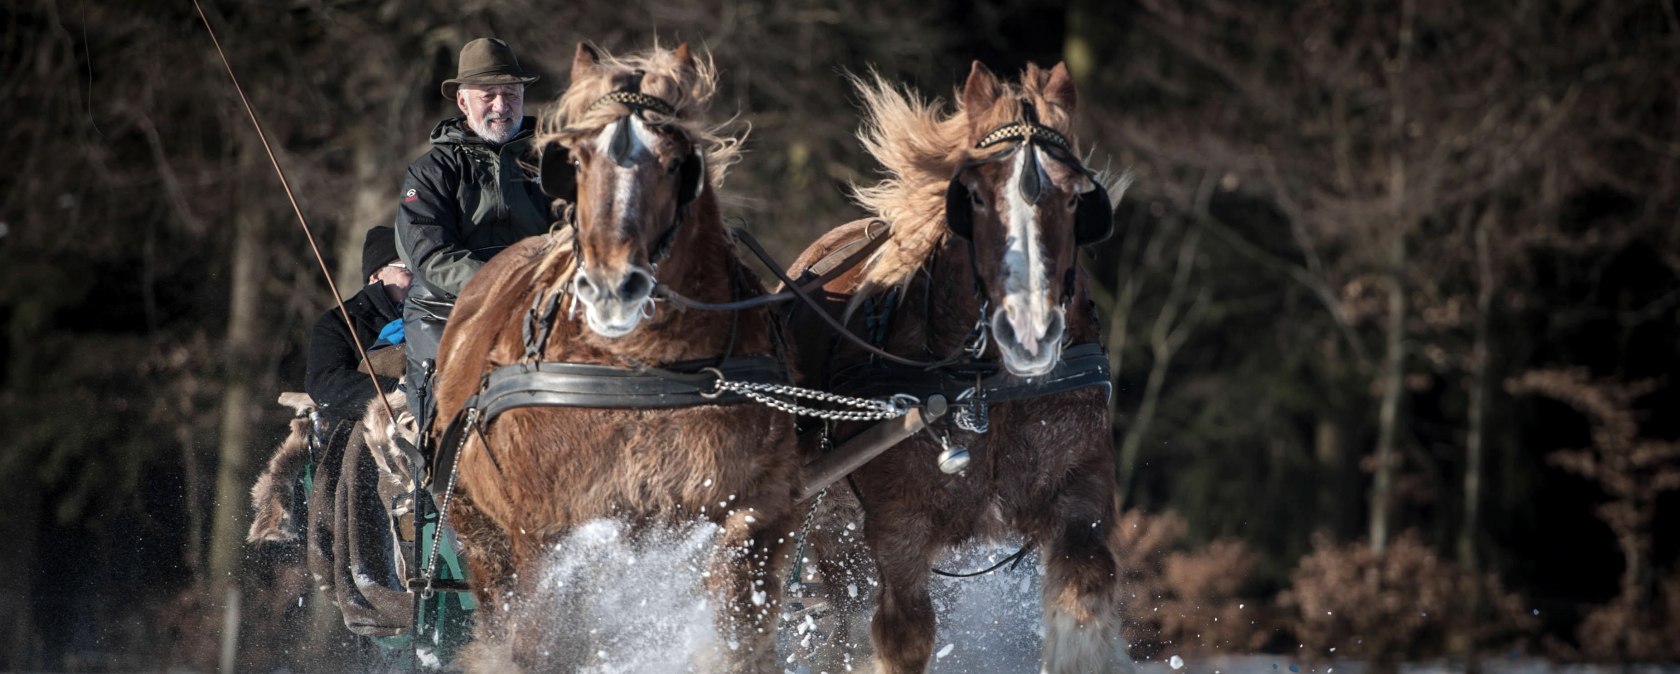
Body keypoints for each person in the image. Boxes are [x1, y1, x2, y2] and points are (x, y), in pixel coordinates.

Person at [394, 37, 555, 428]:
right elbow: (431, 254)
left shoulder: (555, 161)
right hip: (447, 308)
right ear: (463, 102)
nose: (501, 106)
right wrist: (504, 284)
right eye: (489, 95)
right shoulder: (430, 171)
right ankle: (430, 481)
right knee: (445, 409)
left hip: (546, 299)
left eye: (511, 93)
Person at [305, 225, 411, 422]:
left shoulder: (440, 314)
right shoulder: (339, 322)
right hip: (365, 427)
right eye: (407, 269)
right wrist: (396, 391)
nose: (418, 279)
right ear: (376, 276)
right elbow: (325, 383)